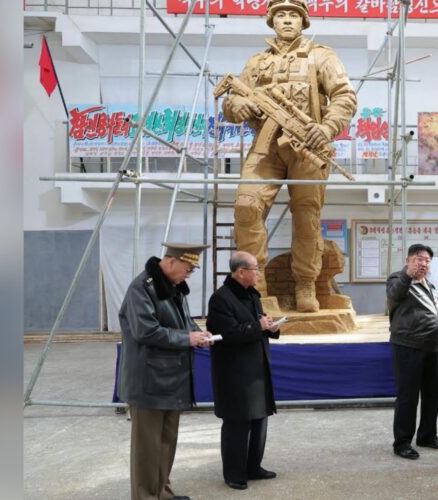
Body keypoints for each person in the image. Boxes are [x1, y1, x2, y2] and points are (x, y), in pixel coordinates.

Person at [222, 0, 357, 310]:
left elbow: (344, 97)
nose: (286, 20)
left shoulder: (322, 56)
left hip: (306, 146)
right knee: (246, 206)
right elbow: (233, 100)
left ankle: (307, 284)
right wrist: (236, 107)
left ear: (303, 21)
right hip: (265, 147)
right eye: (280, 15)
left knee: (307, 217)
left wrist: (326, 128)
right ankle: (256, 289)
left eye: (293, 15)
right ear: (271, 21)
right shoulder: (256, 62)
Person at [117, 242, 211, 500]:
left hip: (171, 379)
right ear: (170, 262)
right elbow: (145, 331)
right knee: (147, 447)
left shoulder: (171, 287)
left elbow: (182, 321)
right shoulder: (142, 288)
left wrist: (197, 332)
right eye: (188, 268)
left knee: (166, 442)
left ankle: (162, 492)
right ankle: (145, 495)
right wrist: (187, 339)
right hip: (149, 380)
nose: (189, 274)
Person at [207, 251, 282, 490]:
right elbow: (226, 334)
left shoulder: (252, 295)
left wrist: (269, 327)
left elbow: (256, 325)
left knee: (260, 419)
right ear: (241, 272)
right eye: (255, 269)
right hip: (235, 371)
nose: (258, 273)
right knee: (237, 423)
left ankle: (253, 467)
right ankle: (234, 473)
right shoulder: (221, 299)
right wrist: (256, 326)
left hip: (257, 367)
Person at [386, 244, 438, 459]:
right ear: (408, 260)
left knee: (432, 395)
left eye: (427, 260)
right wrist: (407, 276)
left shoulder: (429, 284)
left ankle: (427, 435)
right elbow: (395, 294)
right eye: (418, 259)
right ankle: (402, 442)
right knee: (408, 397)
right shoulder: (397, 279)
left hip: (432, 348)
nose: (423, 263)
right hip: (408, 348)